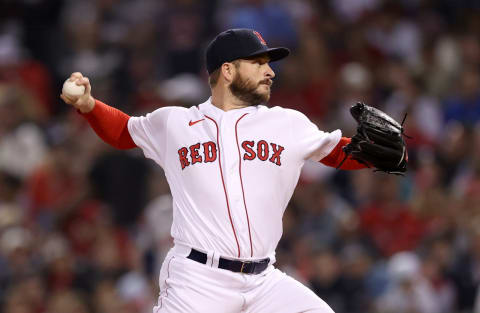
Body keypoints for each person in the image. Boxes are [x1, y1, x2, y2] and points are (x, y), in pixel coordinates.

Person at [61, 29, 367, 313]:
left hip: (265, 281)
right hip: (198, 280)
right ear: (228, 70)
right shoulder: (176, 123)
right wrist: (88, 104)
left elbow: (338, 152)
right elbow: (124, 131)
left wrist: (388, 152)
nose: (270, 71)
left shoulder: (287, 123)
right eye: (258, 63)